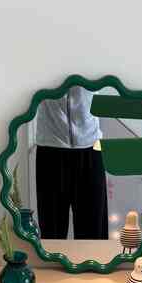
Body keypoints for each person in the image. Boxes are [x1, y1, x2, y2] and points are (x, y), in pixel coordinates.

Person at [35, 87, 108, 240]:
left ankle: (91, 264)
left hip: (91, 144)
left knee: (93, 229)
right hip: (50, 145)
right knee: (51, 229)